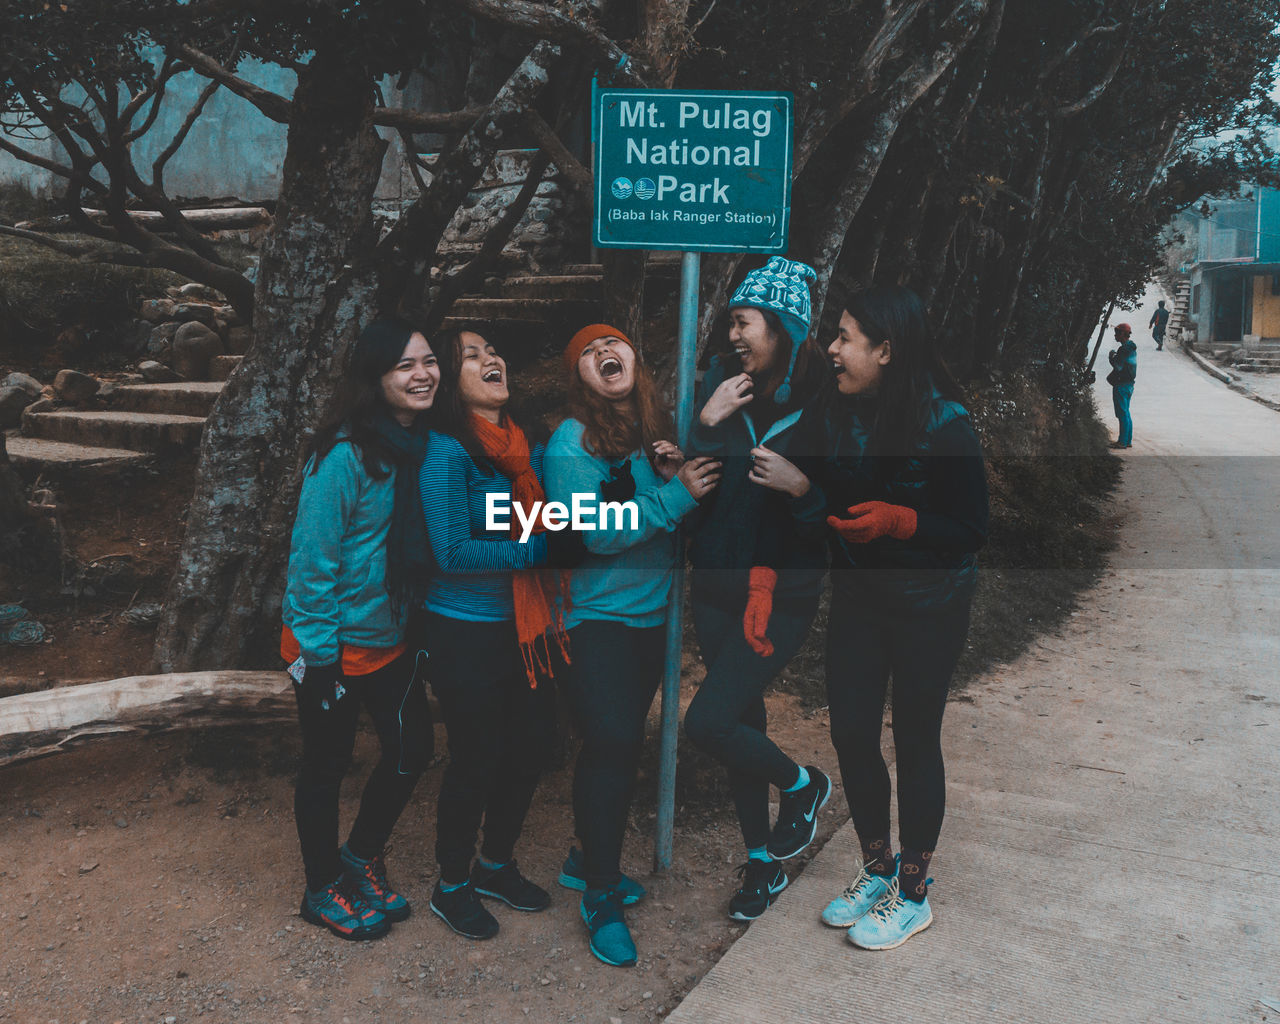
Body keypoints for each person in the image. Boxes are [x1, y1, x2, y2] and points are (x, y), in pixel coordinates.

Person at [749, 284, 988, 950]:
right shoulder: (834, 408)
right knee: (852, 735)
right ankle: (877, 870)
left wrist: (900, 520)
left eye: (846, 337)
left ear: (886, 350)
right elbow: (783, 461)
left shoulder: (946, 423)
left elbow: (970, 528)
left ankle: (914, 893)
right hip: (859, 597)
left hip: (928, 606)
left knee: (914, 743)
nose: (832, 348)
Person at [544, 324, 721, 966]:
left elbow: (659, 514)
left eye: (611, 344)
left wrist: (666, 477)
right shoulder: (572, 441)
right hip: (593, 620)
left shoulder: (647, 437)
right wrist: (675, 495)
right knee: (613, 745)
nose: (602, 354)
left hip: (648, 622)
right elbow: (589, 529)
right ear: (579, 379)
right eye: (586, 352)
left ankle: (583, 858)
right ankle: (599, 894)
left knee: (617, 746)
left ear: (633, 360)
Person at [682, 256, 832, 922]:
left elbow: (843, 508)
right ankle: (763, 864)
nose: (734, 335)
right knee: (740, 720)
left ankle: (805, 786)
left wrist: (802, 488)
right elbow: (691, 477)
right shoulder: (721, 381)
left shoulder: (826, 401)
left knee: (707, 721)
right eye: (732, 322)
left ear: (782, 327)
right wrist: (705, 420)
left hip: (783, 593)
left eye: (744, 322)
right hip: (715, 582)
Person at [418, 325, 580, 941]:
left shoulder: (526, 447)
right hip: (465, 630)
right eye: (473, 355)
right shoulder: (446, 452)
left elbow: (540, 519)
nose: (493, 358)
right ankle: (451, 884)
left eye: (493, 349)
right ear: (450, 384)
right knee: (477, 757)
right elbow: (451, 550)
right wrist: (537, 551)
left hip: (526, 628)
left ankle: (495, 865)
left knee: (531, 746)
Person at [281, 318, 440, 941]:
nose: (422, 373)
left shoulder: (421, 446)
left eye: (428, 361)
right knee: (327, 764)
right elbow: (311, 564)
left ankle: (360, 857)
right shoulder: (344, 455)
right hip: (327, 644)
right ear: (376, 379)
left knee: (411, 752)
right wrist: (320, 661)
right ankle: (321, 887)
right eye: (405, 365)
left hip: (391, 639)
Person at [1107, 323, 1137, 449]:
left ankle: (1122, 442)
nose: (1115, 335)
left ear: (1122, 334)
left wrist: (1111, 357)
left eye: (1117, 333)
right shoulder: (1131, 348)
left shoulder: (1123, 349)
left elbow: (1118, 366)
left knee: (1122, 413)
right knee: (1126, 412)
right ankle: (1127, 440)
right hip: (1129, 384)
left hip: (1122, 384)